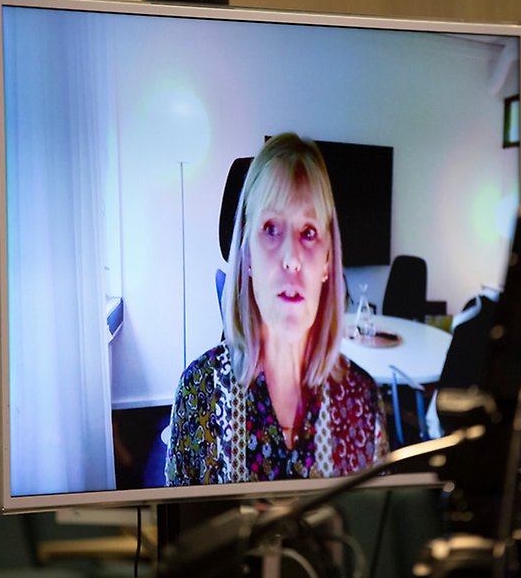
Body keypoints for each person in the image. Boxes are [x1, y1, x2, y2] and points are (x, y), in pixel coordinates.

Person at [166, 133, 389, 485]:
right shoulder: (200, 391)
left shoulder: (362, 402)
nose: (291, 260)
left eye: (309, 232)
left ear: (328, 259)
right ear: (247, 251)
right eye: (271, 229)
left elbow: (373, 536)